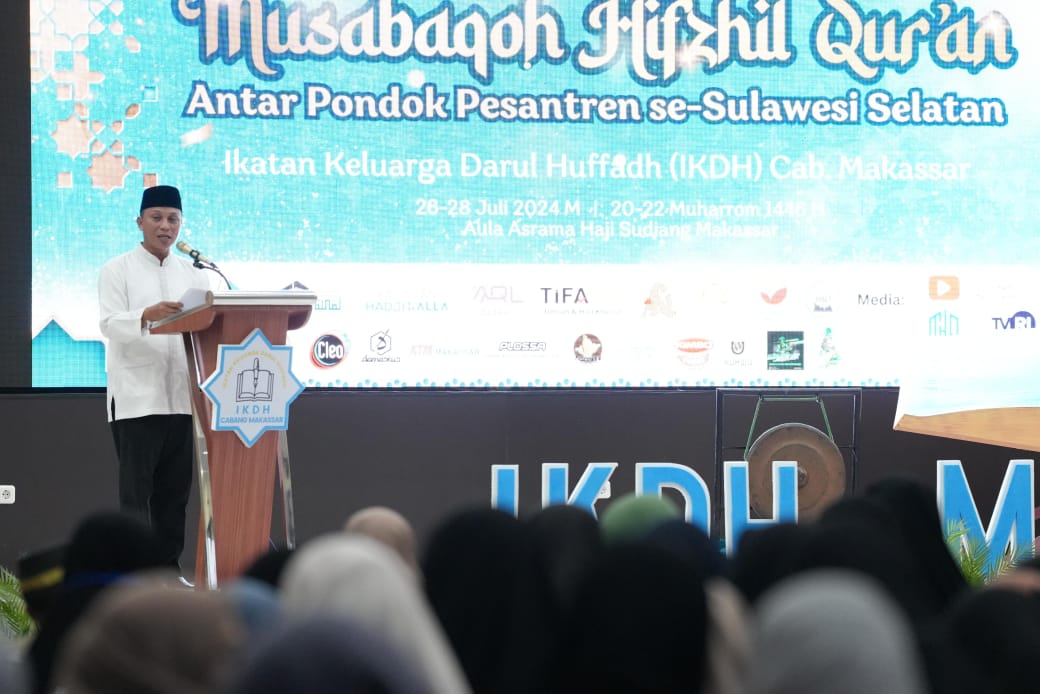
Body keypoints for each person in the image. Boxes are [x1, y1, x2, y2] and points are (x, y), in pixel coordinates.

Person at [98, 184, 211, 569]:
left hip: (182, 399)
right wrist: (146, 315)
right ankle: (134, 574)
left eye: (173, 219)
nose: (166, 226)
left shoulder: (194, 275)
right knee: (136, 497)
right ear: (140, 222)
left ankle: (167, 572)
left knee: (174, 498)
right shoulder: (117, 269)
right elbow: (109, 324)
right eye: (157, 218)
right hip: (136, 400)